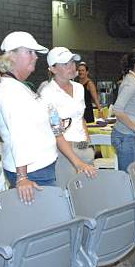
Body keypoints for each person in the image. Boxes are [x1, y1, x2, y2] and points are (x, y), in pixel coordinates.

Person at [0, 32, 96, 204]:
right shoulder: (10, 91)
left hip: (43, 167)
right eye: (30, 52)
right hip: (32, 173)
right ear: (11, 56)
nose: (35, 57)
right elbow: (18, 135)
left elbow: (52, 125)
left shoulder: (22, 88)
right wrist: (22, 177)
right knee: (47, 220)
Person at [39, 47, 95, 187]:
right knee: (68, 193)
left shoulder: (79, 88)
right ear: (53, 69)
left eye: (72, 62)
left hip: (82, 146)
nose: (71, 67)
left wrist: (88, 144)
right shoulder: (47, 93)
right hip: (63, 151)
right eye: (65, 64)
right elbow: (56, 132)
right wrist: (77, 162)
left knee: (87, 194)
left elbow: (80, 118)